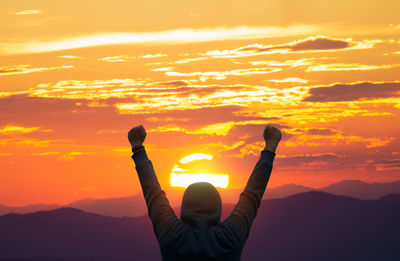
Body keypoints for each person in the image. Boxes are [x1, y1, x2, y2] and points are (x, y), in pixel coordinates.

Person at [128, 124, 281, 261]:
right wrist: (270, 147)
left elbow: (153, 195)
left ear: (185, 205)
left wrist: (138, 147)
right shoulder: (230, 236)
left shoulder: (172, 235)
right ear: (217, 206)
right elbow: (252, 194)